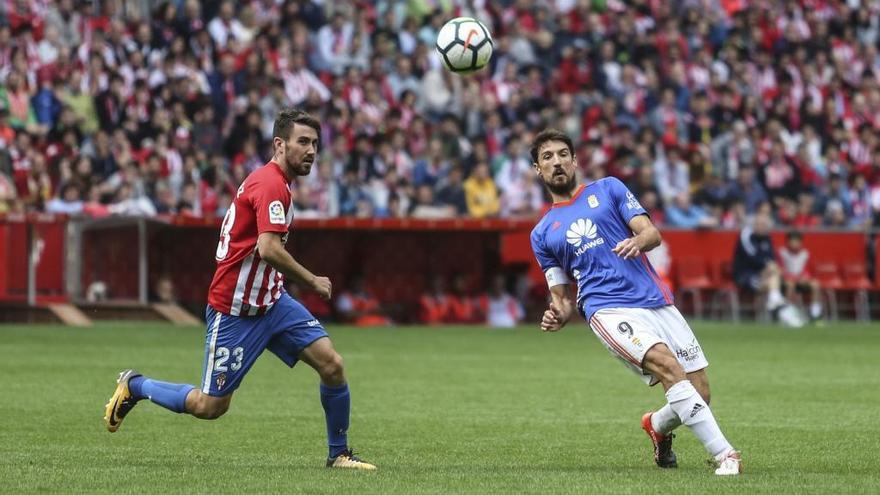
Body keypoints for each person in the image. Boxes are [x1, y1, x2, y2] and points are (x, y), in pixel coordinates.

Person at [103, 109, 376, 470]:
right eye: (303, 142)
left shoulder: (275, 182)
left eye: (315, 143)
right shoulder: (271, 184)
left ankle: (338, 454)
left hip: (272, 302)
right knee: (209, 406)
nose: (311, 150)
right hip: (235, 312)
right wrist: (312, 280)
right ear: (280, 144)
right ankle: (136, 386)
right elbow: (268, 248)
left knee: (332, 365)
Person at [528, 129, 741, 476]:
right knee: (669, 368)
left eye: (563, 153)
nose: (557, 162)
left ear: (575, 160)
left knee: (699, 392)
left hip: (654, 299)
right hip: (606, 309)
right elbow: (561, 296)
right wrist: (559, 314)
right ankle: (726, 455)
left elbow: (651, 232)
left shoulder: (609, 188)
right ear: (538, 169)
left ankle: (657, 424)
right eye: (548, 157)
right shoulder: (542, 233)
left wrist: (639, 240)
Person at [777, 231, 823, 321]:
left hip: (801, 281)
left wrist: (805, 277)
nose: (794, 244)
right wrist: (792, 278)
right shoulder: (782, 252)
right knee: (790, 285)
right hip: (786, 281)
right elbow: (781, 269)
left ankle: (815, 312)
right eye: (792, 241)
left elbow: (807, 270)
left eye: (797, 241)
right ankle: (787, 312)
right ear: (788, 242)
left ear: (801, 242)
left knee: (815, 284)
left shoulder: (805, 254)